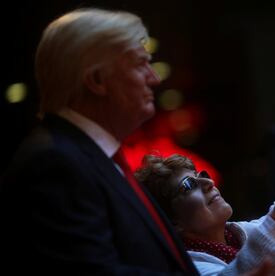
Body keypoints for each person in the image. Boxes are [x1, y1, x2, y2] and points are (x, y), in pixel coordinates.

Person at [0, 8, 200, 275]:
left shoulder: (86, 157)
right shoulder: (54, 163)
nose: (154, 78)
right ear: (97, 80)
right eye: (141, 63)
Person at [135, 154, 275, 275]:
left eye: (202, 176)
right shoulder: (187, 268)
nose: (209, 183)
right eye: (189, 185)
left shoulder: (238, 235)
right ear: (173, 221)